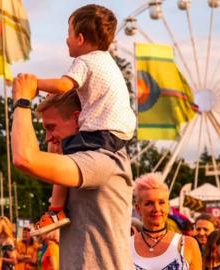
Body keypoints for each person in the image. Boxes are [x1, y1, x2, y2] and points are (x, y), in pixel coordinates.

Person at [19, 4, 136, 236]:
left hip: (99, 134)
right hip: (118, 134)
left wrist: (32, 85)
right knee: (62, 154)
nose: (66, 39)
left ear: (80, 38)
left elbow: (63, 85)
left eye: (69, 33)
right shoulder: (107, 63)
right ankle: (56, 210)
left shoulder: (85, 61)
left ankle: (55, 210)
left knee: (61, 155)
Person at [11, 77, 133, 268]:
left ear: (77, 118)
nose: (48, 138)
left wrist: (22, 101)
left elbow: (24, 158)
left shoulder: (101, 160)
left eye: (51, 127)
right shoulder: (87, 161)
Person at [131, 172, 202, 270]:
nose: (156, 209)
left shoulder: (188, 244)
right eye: (149, 203)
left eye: (161, 202)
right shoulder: (125, 246)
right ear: (138, 208)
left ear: (168, 206)